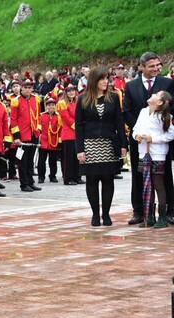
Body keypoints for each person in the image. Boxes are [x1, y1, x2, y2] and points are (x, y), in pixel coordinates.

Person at [123, 52, 174, 225]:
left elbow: (171, 111)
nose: (156, 68)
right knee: (139, 177)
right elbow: (127, 111)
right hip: (139, 141)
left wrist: (158, 130)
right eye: (151, 66)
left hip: (160, 143)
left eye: (158, 65)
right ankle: (140, 211)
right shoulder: (131, 86)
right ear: (141, 67)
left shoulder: (167, 83)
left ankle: (167, 212)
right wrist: (138, 133)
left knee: (163, 177)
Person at [75, 66, 128, 227]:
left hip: (108, 143)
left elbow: (119, 121)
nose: (106, 82)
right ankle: (95, 214)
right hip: (90, 144)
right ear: (94, 81)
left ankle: (106, 213)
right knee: (91, 179)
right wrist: (80, 149)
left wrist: (123, 144)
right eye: (103, 79)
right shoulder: (83, 99)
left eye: (107, 78)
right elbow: (78, 126)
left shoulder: (113, 97)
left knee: (107, 178)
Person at [132, 91, 174, 228]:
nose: (153, 94)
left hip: (157, 154)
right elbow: (135, 128)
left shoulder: (163, 116)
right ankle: (148, 216)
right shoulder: (143, 112)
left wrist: (153, 139)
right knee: (146, 184)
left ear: (160, 102)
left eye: (157, 94)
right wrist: (137, 135)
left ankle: (162, 217)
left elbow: (170, 135)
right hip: (143, 152)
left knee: (158, 184)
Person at [10, 78, 42, 192]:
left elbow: (38, 116)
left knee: (30, 160)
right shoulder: (16, 101)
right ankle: (24, 184)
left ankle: (30, 181)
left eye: (30, 88)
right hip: (22, 135)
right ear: (22, 88)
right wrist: (17, 136)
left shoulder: (36, 99)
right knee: (22, 161)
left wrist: (38, 131)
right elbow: (13, 120)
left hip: (33, 133)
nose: (28, 90)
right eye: (25, 88)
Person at [58, 84, 83, 185]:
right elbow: (66, 118)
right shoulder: (62, 103)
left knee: (77, 157)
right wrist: (77, 126)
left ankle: (77, 176)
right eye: (69, 91)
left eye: (73, 90)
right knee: (68, 158)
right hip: (68, 133)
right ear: (65, 92)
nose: (71, 92)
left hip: (77, 133)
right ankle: (68, 178)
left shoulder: (77, 102)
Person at [37, 96, 62, 184]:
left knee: (53, 161)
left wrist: (59, 141)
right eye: (49, 105)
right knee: (41, 161)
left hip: (53, 142)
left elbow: (60, 129)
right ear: (46, 106)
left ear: (55, 106)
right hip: (43, 141)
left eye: (53, 105)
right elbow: (39, 127)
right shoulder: (42, 116)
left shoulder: (59, 117)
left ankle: (52, 176)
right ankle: (41, 177)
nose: (51, 107)